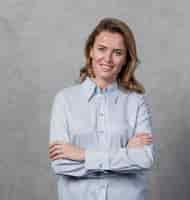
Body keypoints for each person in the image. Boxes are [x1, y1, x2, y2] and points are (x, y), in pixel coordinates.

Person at [48, 17, 154, 200]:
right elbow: (60, 165)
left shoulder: (136, 102)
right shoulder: (64, 100)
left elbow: (144, 160)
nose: (108, 59)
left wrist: (82, 155)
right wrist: (124, 156)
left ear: (126, 59)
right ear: (90, 50)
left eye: (118, 52)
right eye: (102, 49)